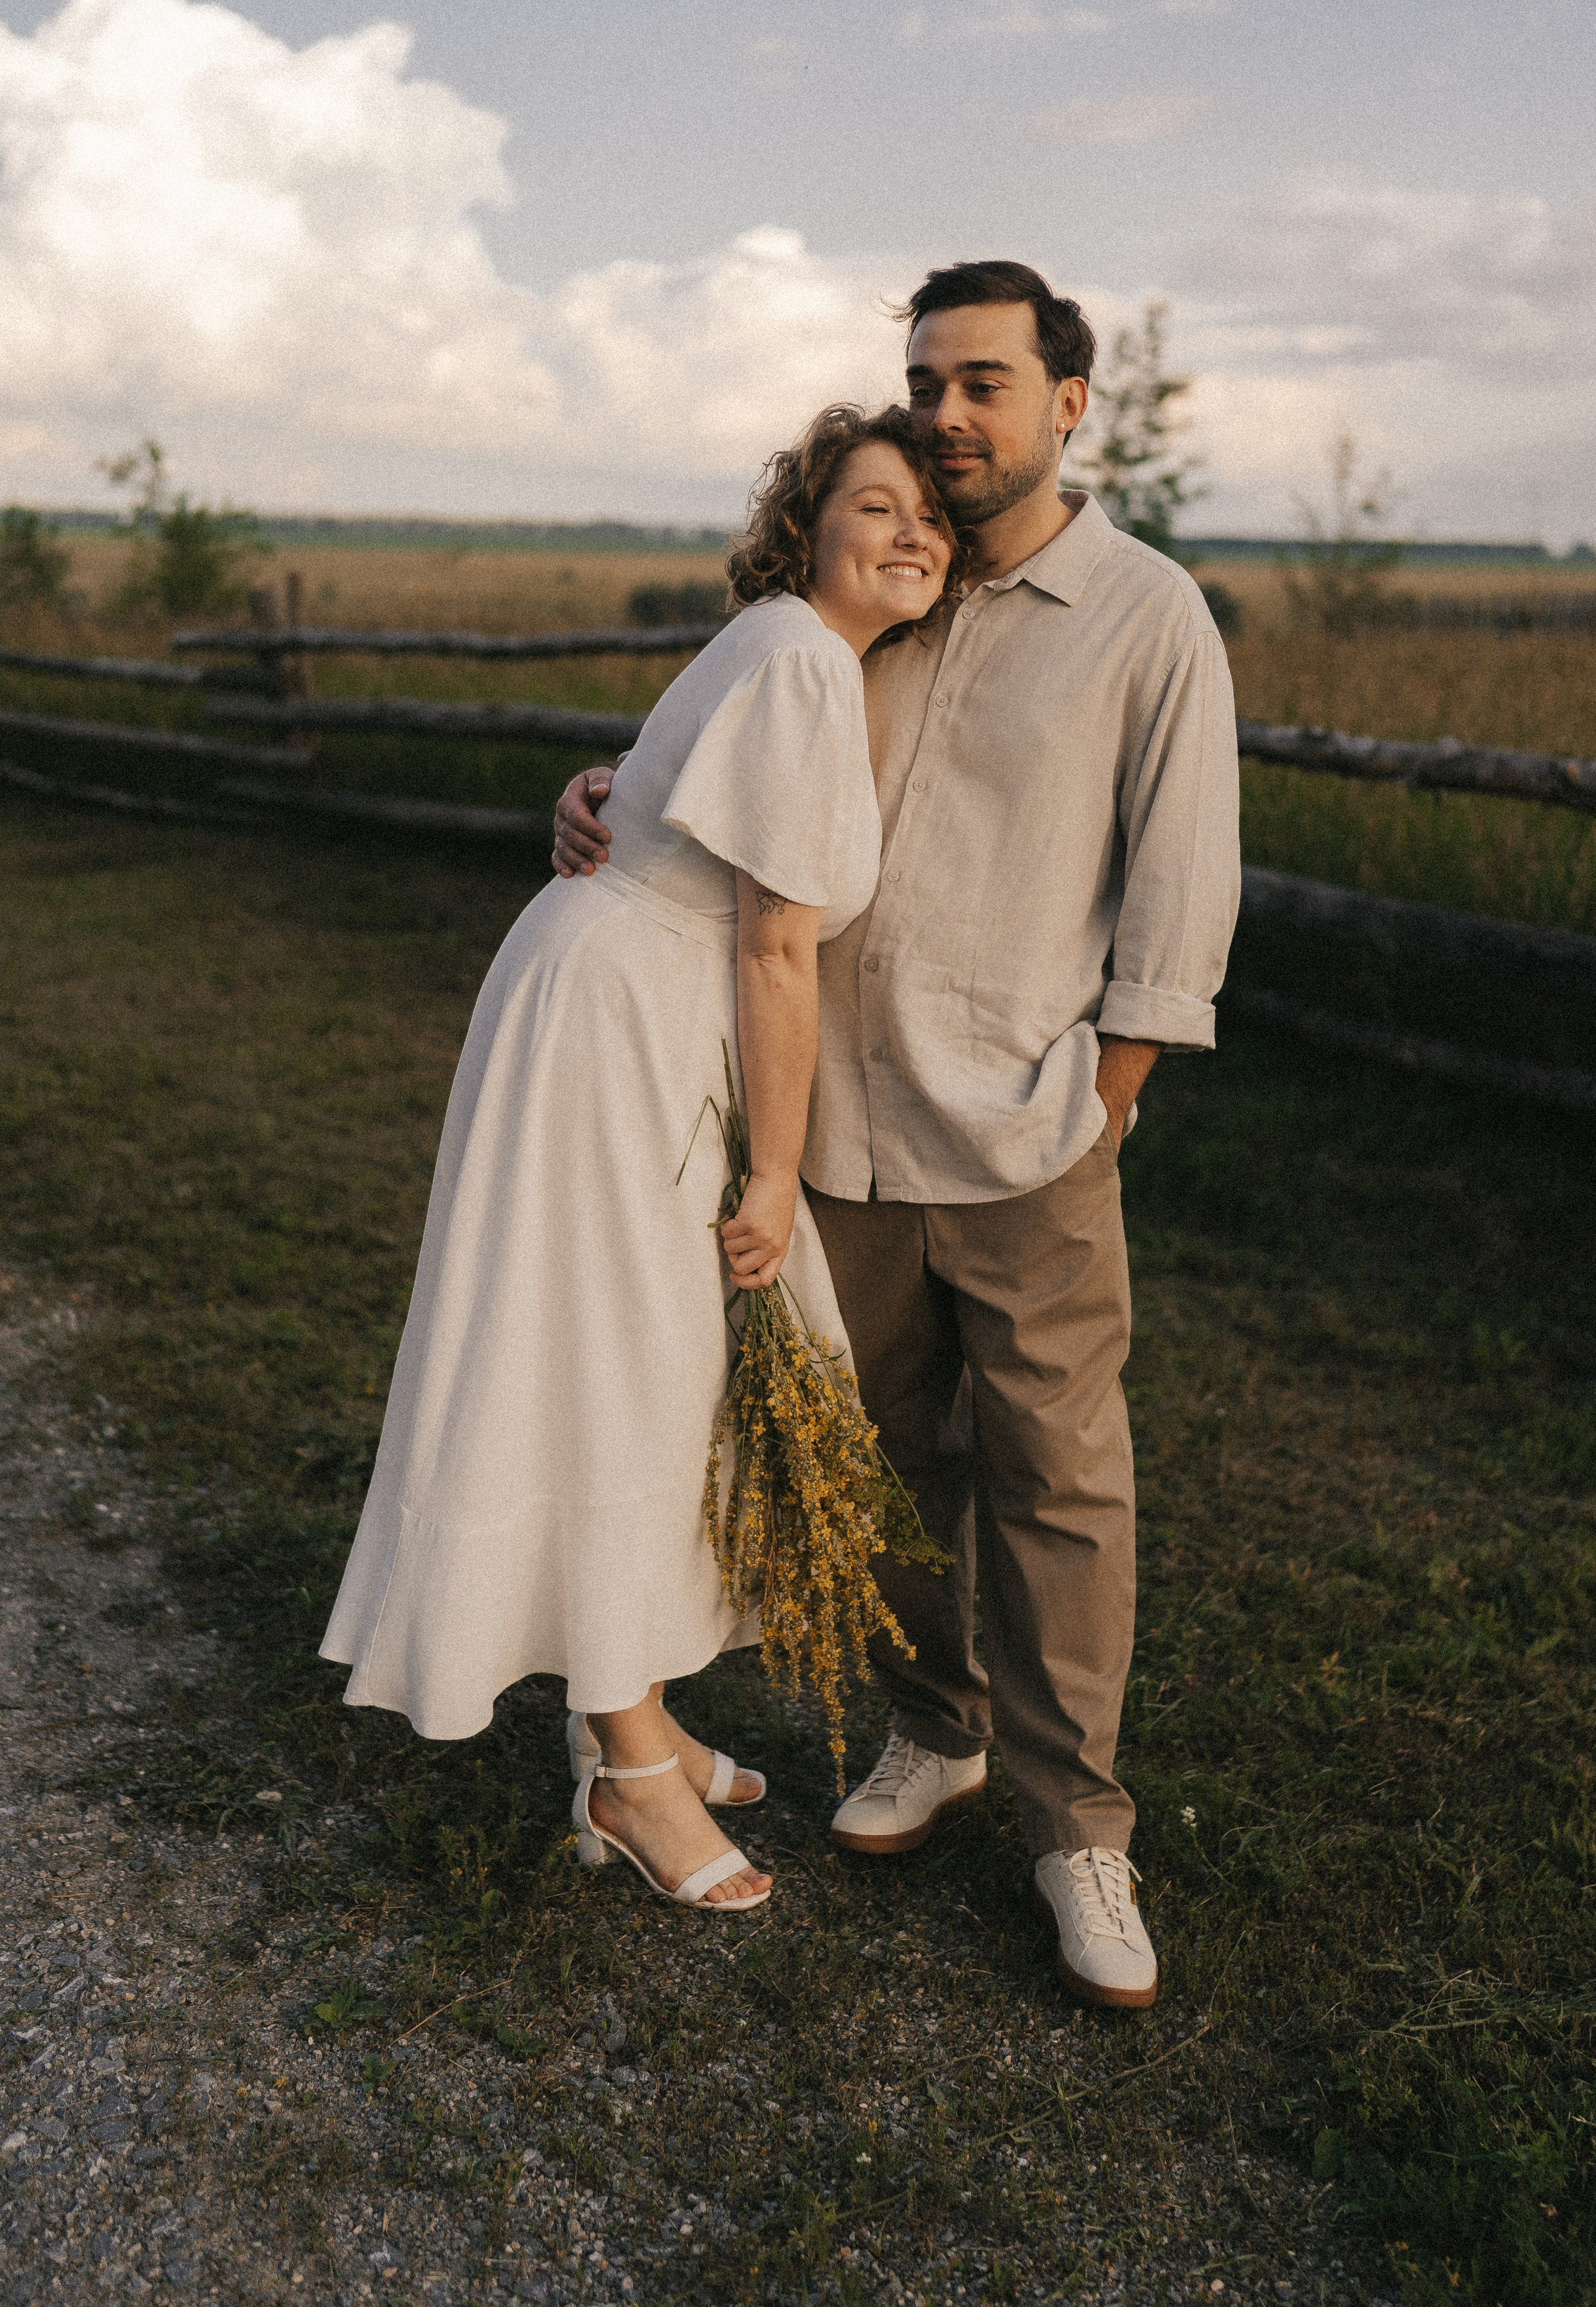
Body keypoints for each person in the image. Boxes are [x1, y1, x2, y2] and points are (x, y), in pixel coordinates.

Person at [553, 262, 1240, 2006]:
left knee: (1060, 1483)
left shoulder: (1146, 617)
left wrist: (1090, 1122)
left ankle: (1079, 1830)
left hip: (1022, 1147)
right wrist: (592, 802)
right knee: (876, 1471)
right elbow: (723, 766)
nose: (946, 413)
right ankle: (931, 1730)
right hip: (823, 1140)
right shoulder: (879, 581)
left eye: (984, 383)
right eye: (925, 379)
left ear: (1067, 402)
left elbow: (1175, 913)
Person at [322, 403, 958, 1914]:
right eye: (876, 506)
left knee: (634, 1362)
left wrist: (591, 789)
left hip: (612, 1005)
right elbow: (775, 941)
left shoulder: (782, 653)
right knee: (620, 1364)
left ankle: (635, 1707)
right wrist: (772, 1170)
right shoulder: (800, 655)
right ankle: (623, 1767)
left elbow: (658, 794)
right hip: (624, 1032)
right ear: (807, 527)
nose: (912, 532)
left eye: (931, 514)